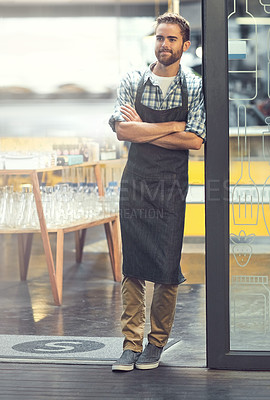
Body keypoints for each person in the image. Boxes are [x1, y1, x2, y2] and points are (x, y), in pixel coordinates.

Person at [109, 12, 206, 372]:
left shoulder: (193, 86)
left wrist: (144, 127)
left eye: (171, 39)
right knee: (132, 264)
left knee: (166, 265)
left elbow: (194, 140)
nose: (164, 45)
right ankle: (131, 344)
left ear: (185, 45)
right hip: (135, 182)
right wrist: (169, 127)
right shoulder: (133, 79)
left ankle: (156, 343)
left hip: (170, 186)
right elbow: (123, 132)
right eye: (159, 38)